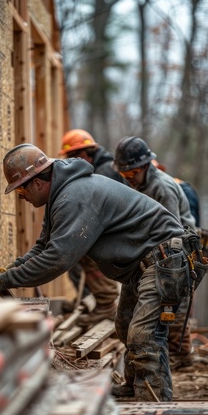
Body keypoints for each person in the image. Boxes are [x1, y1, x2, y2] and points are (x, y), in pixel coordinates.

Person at [0, 143, 208, 402]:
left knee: (144, 335)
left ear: (37, 182)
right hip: (143, 264)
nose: (20, 195)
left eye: (21, 188)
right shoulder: (60, 196)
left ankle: (155, 406)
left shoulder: (74, 197)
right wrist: (11, 269)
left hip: (164, 261)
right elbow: (43, 246)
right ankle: (134, 384)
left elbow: (56, 260)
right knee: (125, 326)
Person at [114, 136, 200, 370]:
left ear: (144, 166)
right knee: (130, 320)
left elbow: (171, 232)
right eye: (124, 175)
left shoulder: (161, 188)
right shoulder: (139, 185)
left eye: (131, 174)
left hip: (172, 255)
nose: (128, 179)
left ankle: (179, 359)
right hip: (149, 252)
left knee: (168, 312)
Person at [58, 129, 124, 325]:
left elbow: (100, 206)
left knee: (89, 256)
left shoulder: (104, 171)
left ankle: (105, 304)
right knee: (80, 258)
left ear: (85, 153)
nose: (71, 161)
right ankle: (95, 301)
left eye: (73, 156)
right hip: (112, 226)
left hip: (112, 229)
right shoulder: (103, 167)